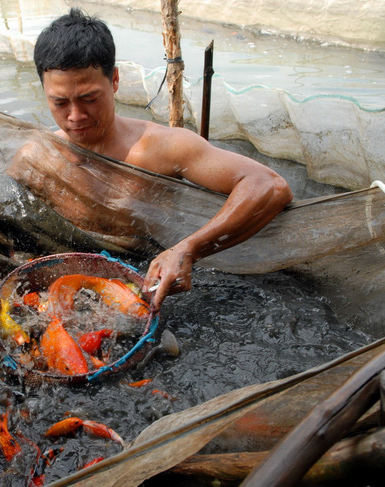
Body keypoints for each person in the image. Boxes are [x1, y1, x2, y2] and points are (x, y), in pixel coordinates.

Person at [29, 8, 293, 311]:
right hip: (71, 293)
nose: (75, 116)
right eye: (60, 102)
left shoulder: (162, 149)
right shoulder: (38, 158)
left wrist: (188, 250)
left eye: (89, 99)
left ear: (114, 80)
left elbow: (270, 186)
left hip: (158, 291)